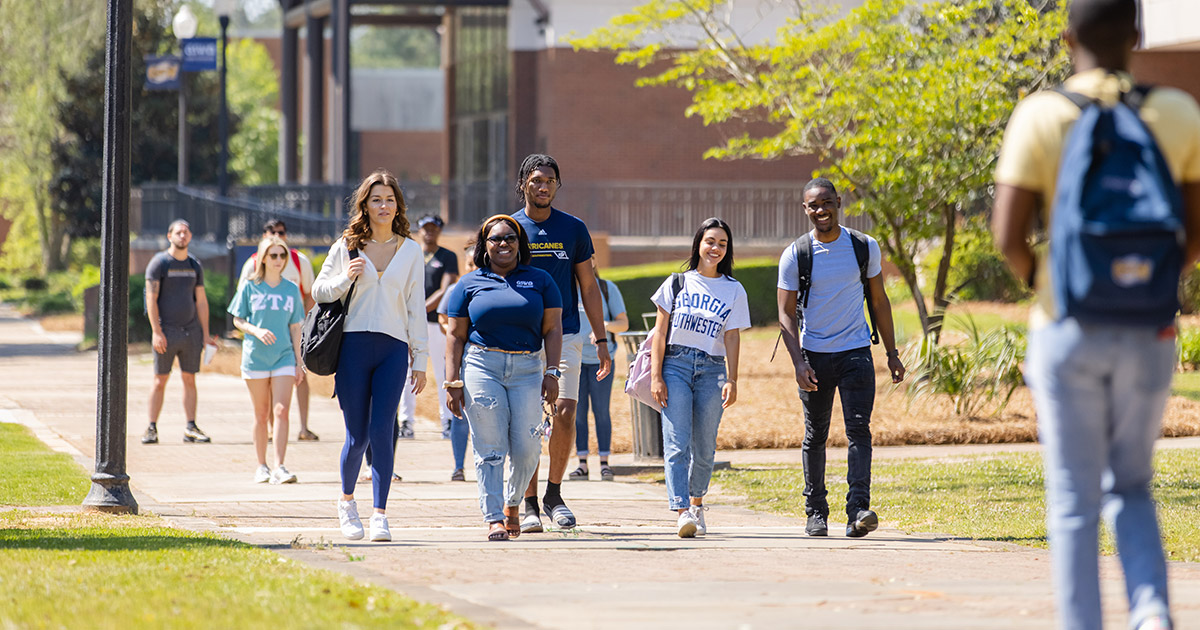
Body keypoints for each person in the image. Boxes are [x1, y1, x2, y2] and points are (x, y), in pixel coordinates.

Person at [991, 1, 1200, 627]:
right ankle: (1152, 614)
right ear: (1138, 34)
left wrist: (1048, 284)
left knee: (1074, 498)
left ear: (1068, 34)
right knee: (1132, 482)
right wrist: (1151, 284)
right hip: (1149, 329)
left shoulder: (1042, 114)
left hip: (1067, 327)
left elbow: (1007, 235)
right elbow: (1195, 233)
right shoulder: (1178, 112)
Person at [776, 177, 905, 539]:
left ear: (838, 203)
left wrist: (892, 353)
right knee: (815, 435)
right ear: (805, 209)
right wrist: (798, 361)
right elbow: (784, 313)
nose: (821, 210)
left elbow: (879, 301)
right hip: (814, 355)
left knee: (859, 431)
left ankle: (858, 510)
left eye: (827, 203)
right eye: (813, 205)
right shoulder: (795, 254)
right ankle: (815, 512)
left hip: (855, 352)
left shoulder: (864, 247)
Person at [312, 169, 428, 543]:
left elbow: (416, 308)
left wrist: (421, 360)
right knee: (356, 436)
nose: (384, 205)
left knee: (383, 431)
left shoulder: (410, 250)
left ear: (398, 205)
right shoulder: (346, 246)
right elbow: (319, 292)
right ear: (364, 204)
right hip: (353, 348)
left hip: (393, 349)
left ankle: (380, 514)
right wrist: (347, 276)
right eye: (376, 199)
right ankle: (347, 503)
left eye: (390, 199)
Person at [445, 214, 563, 541]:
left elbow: (553, 328)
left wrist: (552, 371)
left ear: (520, 244)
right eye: (496, 239)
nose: (503, 244)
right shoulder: (468, 284)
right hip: (482, 366)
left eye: (510, 238)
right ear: (485, 246)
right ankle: (494, 516)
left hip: (527, 369)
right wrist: (452, 382)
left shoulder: (541, 280)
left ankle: (514, 503)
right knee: (490, 447)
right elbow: (455, 336)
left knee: (528, 448)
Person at [512, 154, 612, 533]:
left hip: (567, 334)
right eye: (536, 180)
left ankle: (554, 494)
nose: (543, 186)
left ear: (557, 185)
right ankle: (530, 502)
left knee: (566, 412)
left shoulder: (573, 229)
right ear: (523, 183)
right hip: (522, 341)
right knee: (530, 422)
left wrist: (601, 339)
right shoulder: (511, 228)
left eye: (550, 180)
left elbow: (589, 285)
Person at [648, 218, 750, 537]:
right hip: (675, 365)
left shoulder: (734, 289)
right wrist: (656, 376)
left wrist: (733, 379)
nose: (715, 248)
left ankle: (696, 504)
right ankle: (681, 512)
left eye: (722, 243)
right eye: (710, 241)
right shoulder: (677, 283)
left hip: (713, 369)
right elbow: (660, 332)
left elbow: (732, 337)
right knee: (677, 443)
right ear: (698, 244)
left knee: (705, 446)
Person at [228, 235, 305, 484]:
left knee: (281, 411)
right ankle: (260, 465)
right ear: (263, 258)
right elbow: (237, 319)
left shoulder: (291, 289)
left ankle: (279, 466)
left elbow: (296, 328)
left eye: (283, 255)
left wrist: (299, 362)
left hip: (283, 356)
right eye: (274, 255)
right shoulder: (250, 286)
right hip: (256, 359)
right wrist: (256, 330)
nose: (279, 260)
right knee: (261, 414)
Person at [238, 219, 319, 442]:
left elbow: (309, 295)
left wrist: (304, 325)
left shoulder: (297, 261)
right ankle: (273, 430)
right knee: (270, 388)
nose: (277, 235)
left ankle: (304, 426)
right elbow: (242, 307)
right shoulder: (252, 265)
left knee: (300, 375)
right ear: (264, 236)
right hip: (265, 340)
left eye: (281, 232)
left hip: (294, 331)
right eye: (272, 232)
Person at [141, 219, 219, 445]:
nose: (182, 236)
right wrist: (156, 331)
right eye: (178, 232)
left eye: (186, 232)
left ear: (191, 236)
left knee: (189, 379)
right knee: (159, 380)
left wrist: (205, 334)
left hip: (191, 332)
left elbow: (201, 301)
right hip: (166, 332)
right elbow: (151, 299)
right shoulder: (159, 263)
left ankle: (190, 428)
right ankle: (152, 428)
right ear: (169, 236)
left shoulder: (195, 265)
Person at [397, 214, 459, 440]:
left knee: (443, 372)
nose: (429, 232)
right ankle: (406, 421)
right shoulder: (410, 254)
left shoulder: (447, 256)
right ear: (419, 229)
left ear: (440, 230)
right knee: (407, 372)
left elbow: (446, 288)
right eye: (426, 228)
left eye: (434, 228)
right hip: (408, 323)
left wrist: (420, 308)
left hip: (435, 323)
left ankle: (448, 420)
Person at [569, 262, 627, 481]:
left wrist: (602, 326)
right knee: (577, 414)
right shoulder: (565, 289)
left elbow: (623, 324)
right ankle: (582, 463)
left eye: (588, 257)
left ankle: (605, 463)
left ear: (593, 261)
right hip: (574, 360)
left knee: (601, 411)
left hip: (602, 360)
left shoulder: (606, 288)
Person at [437, 239, 478, 482]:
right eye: (469, 264)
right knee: (458, 414)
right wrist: (454, 333)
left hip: (482, 357)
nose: (473, 268)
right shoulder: (455, 289)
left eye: (477, 264)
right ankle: (459, 466)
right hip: (458, 359)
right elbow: (443, 317)